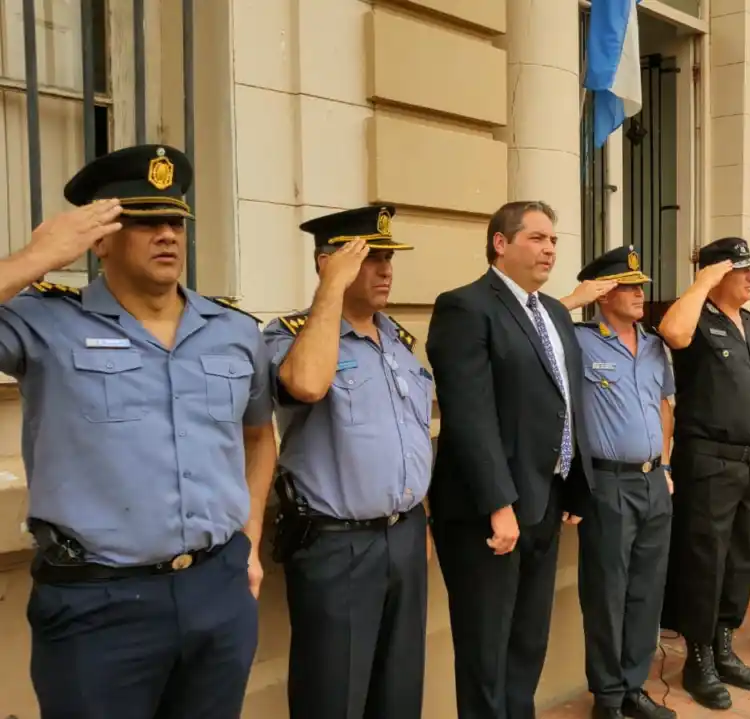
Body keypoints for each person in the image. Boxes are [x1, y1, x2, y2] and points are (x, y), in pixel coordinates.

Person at [3, 145, 277, 718]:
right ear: (99, 239)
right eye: (144, 221)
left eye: (175, 221)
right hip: (97, 605)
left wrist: (248, 539)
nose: (167, 235)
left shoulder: (233, 330)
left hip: (216, 591)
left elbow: (257, 437)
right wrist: (33, 258)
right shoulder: (44, 322)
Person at [263, 206, 432, 719]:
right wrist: (330, 294)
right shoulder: (290, 335)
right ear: (327, 263)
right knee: (332, 695)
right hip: (337, 544)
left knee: (399, 691)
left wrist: (418, 523)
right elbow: (308, 384)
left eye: (387, 258)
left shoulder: (398, 343)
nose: (385, 269)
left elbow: (416, 435)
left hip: (402, 536)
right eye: (369, 258)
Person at [427, 200, 592, 719]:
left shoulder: (556, 312)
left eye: (554, 241)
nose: (549, 249)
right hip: (490, 514)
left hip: (546, 502)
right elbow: (470, 416)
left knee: (526, 643)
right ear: (501, 242)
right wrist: (499, 504)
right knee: (486, 650)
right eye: (538, 238)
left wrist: (573, 485)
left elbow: (566, 401)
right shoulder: (465, 307)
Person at [559, 246, 676, 719]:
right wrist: (572, 298)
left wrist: (666, 467)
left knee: (646, 592)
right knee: (607, 594)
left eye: (639, 286)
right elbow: (534, 334)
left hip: (653, 482)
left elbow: (664, 407)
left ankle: (633, 687)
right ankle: (607, 697)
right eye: (627, 287)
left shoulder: (653, 345)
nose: (638, 294)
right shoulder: (580, 340)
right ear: (603, 293)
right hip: (607, 484)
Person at [658, 237, 750, 710]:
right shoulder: (696, 318)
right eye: (740, 269)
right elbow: (672, 333)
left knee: (741, 558)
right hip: (708, 460)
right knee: (705, 563)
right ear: (715, 274)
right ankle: (698, 659)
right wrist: (702, 280)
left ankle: (724, 646)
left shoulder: (746, 321)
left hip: (749, 460)